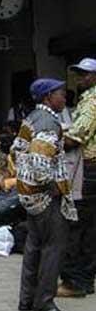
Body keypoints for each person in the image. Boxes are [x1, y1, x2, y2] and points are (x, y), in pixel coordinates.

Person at [11, 78, 77, 311]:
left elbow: (16, 150)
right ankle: (44, 303)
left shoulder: (31, 118)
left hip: (30, 197)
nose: (64, 97)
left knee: (33, 248)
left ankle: (26, 301)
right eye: (60, 94)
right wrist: (49, 184)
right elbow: (40, 162)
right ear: (48, 97)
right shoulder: (49, 122)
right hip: (46, 197)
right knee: (53, 249)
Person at [58, 57, 96, 298]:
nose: (81, 78)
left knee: (78, 225)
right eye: (79, 74)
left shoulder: (92, 101)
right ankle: (85, 278)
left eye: (86, 74)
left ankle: (77, 283)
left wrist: (48, 140)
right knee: (89, 227)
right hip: (89, 168)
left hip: (89, 170)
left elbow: (75, 138)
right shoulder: (87, 100)